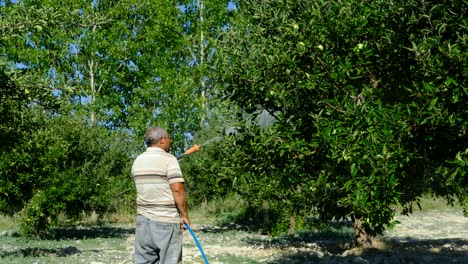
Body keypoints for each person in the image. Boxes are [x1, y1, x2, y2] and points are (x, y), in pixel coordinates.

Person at [131, 126, 190, 264]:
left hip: (143, 223)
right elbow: (177, 189)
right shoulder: (169, 160)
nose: (170, 141)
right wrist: (184, 215)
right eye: (169, 138)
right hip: (166, 222)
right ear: (162, 140)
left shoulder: (137, 161)